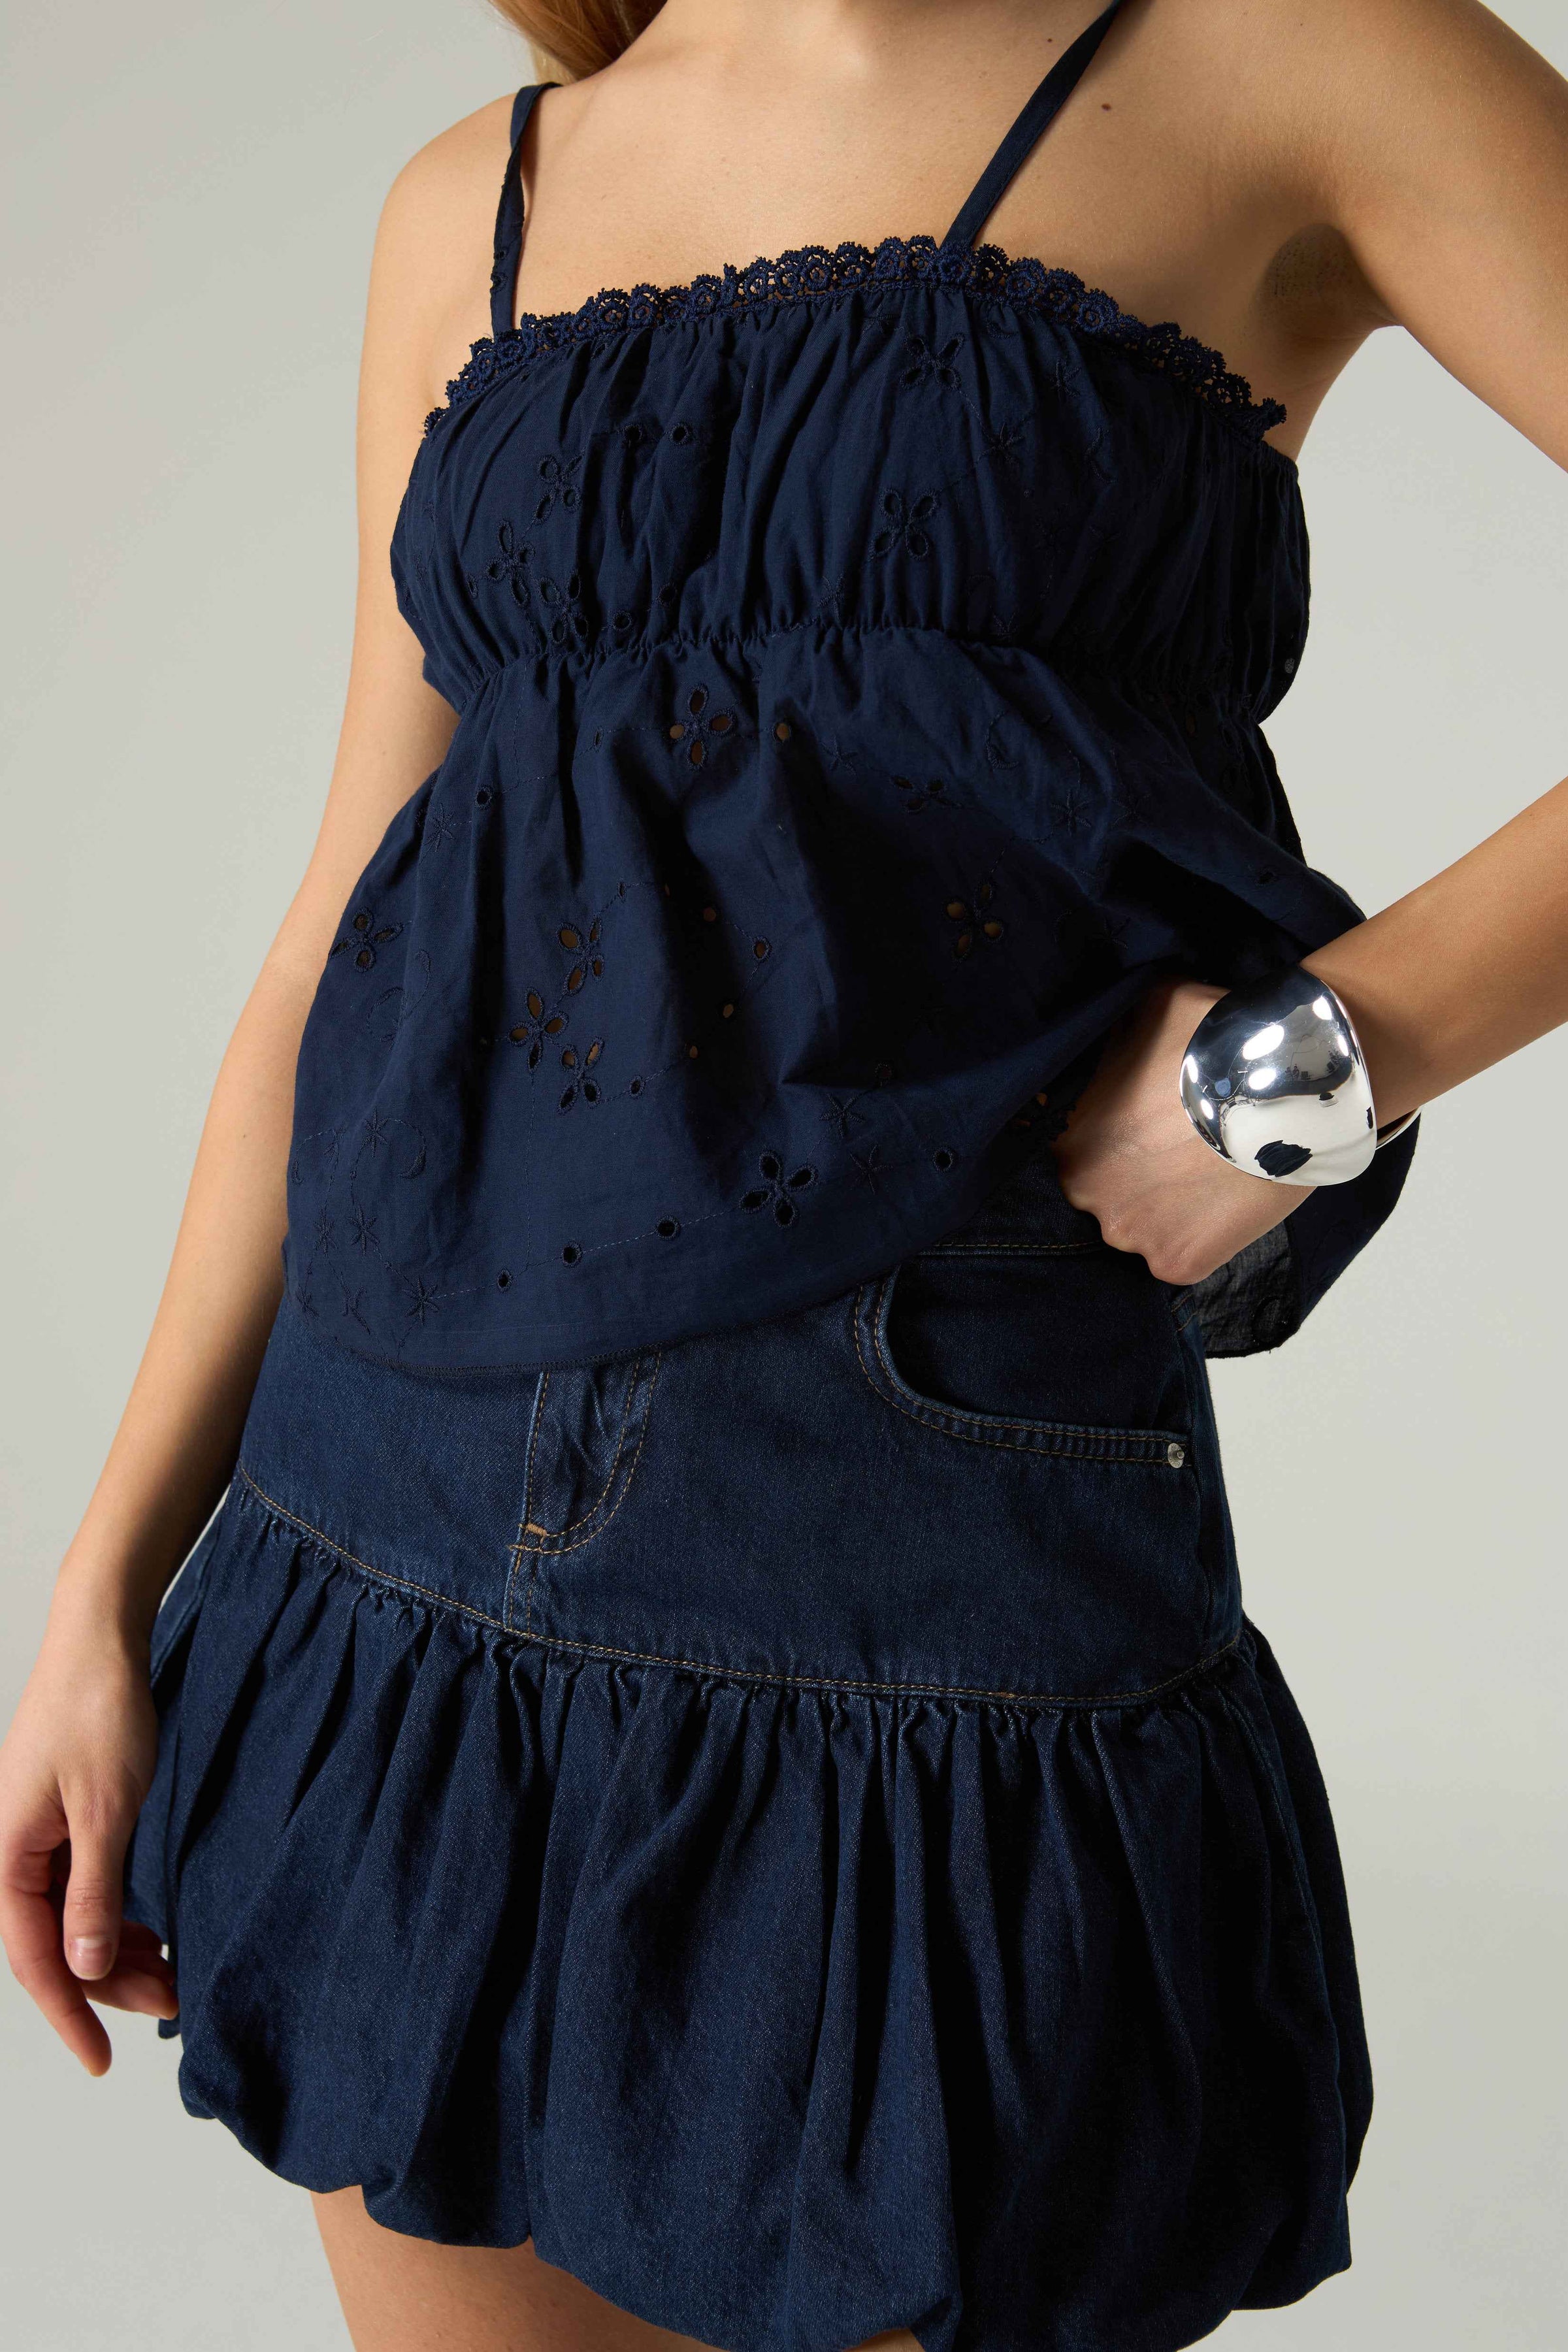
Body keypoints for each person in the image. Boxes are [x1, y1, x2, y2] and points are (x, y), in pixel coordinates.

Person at [3, 3, 1565, 2347]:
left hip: (923, 1571)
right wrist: (100, 1588)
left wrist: (1319, 1063)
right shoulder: (482, 197)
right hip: (384, 1553)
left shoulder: (1294, 52)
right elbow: (351, 917)